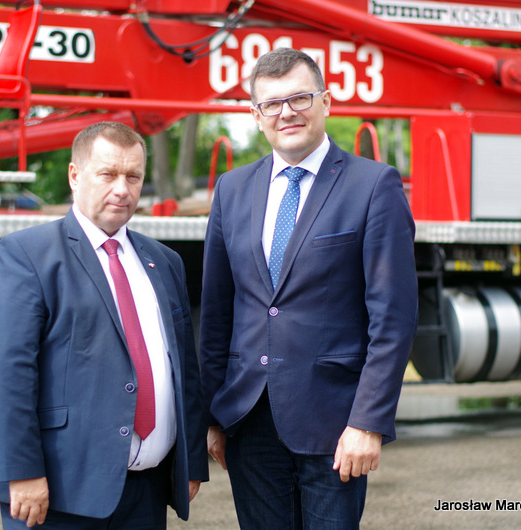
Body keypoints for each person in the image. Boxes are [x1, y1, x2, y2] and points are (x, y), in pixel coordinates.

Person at [199, 48, 418, 529]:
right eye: (272, 104)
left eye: (299, 98)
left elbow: (393, 319)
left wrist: (367, 422)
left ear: (326, 101)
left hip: (334, 424)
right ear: (256, 116)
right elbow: (217, 312)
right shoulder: (231, 189)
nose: (287, 113)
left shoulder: (373, 185)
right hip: (248, 419)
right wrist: (212, 415)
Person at [0, 121, 209, 529]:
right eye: (108, 174)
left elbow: (183, 370)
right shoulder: (28, 254)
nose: (122, 189)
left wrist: (190, 462)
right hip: (60, 493)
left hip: (146, 494)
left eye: (133, 176)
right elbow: (7, 373)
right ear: (75, 175)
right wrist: (22, 471)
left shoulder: (164, 262)